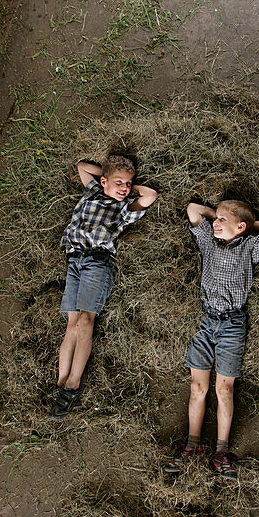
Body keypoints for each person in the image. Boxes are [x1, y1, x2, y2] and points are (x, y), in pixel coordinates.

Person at [165, 199, 259, 478]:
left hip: (233, 324)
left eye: (222, 220)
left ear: (241, 227)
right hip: (207, 321)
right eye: (216, 219)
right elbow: (193, 209)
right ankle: (192, 445)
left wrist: (249, 227)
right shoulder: (208, 241)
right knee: (198, 388)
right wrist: (221, 217)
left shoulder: (250, 247)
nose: (216, 223)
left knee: (224, 390)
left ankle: (221, 452)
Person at [52, 154, 157, 419]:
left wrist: (126, 188)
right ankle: (60, 384)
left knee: (86, 322)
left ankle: (73, 386)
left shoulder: (124, 209)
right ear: (103, 181)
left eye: (128, 183)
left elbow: (151, 195)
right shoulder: (92, 190)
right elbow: (82, 167)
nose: (124, 187)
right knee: (71, 324)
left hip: (98, 262)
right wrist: (109, 176)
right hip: (74, 259)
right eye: (119, 182)